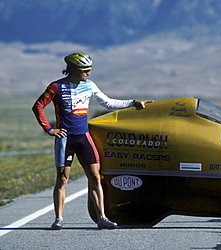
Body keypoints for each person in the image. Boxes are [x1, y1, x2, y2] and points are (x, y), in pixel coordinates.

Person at [32, 52, 153, 230]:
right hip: (65, 139)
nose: (88, 73)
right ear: (74, 70)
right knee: (62, 179)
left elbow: (108, 103)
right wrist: (49, 129)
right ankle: (58, 218)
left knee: (96, 178)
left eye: (89, 70)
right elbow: (38, 106)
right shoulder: (56, 86)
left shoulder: (89, 85)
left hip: (83, 137)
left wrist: (134, 103)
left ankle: (102, 218)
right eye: (85, 70)